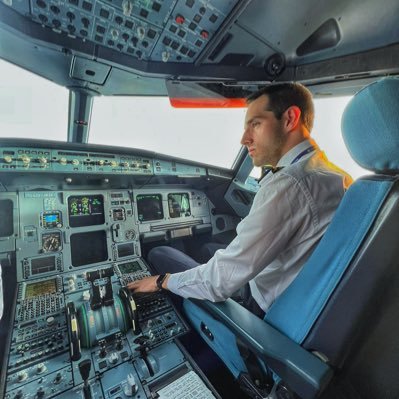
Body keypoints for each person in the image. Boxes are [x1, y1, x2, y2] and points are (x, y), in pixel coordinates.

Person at [128, 83, 353, 317]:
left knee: (159, 254)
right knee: (206, 248)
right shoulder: (336, 175)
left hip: (262, 309)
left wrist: (161, 281)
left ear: (289, 118)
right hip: (296, 289)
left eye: (255, 124)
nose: (244, 139)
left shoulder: (289, 184)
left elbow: (218, 282)